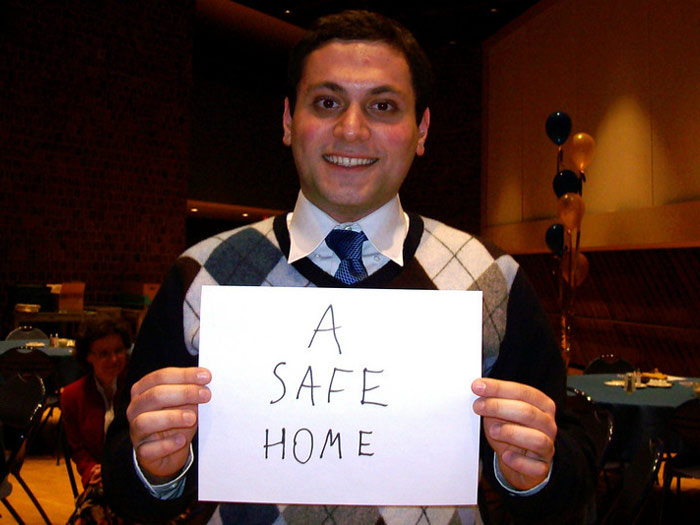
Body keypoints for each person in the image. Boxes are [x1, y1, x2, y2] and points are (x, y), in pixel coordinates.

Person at [103, 10, 598, 524]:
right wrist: (154, 470)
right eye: (327, 102)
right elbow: (124, 483)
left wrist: (536, 474)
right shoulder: (201, 276)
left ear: (421, 129)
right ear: (289, 121)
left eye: (383, 106)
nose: (352, 129)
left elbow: (570, 480)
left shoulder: (492, 280)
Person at [61, 317, 130, 523]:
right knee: (94, 510)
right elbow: (78, 449)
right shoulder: (72, 396)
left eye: (119, 351)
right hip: (99, 480)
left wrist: (115, 468)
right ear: (88, 357)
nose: (114, 359)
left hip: (137, 473)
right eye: (104, 354)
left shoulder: (139, 388)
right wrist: (91, 469)